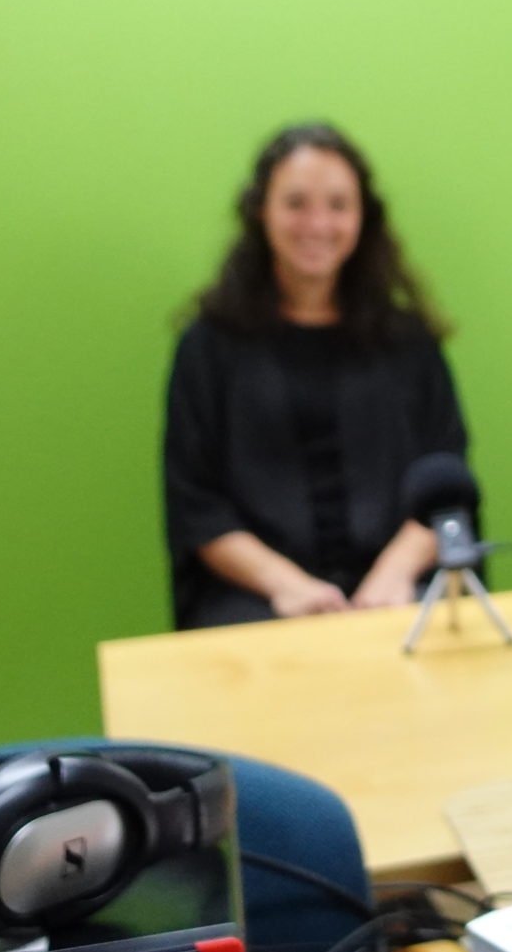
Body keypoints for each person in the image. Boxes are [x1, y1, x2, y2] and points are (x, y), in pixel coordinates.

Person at [163, 123, 469, 629]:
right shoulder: (209, 347)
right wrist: (289, 586)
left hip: (399, 585)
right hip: (258, 594)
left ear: (363, 217)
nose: (317, 224)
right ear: (261, 210)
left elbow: (448, 482)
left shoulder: (409, 342)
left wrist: (392, 575)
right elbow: (196, 503)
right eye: (296, 203)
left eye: (337, 205)